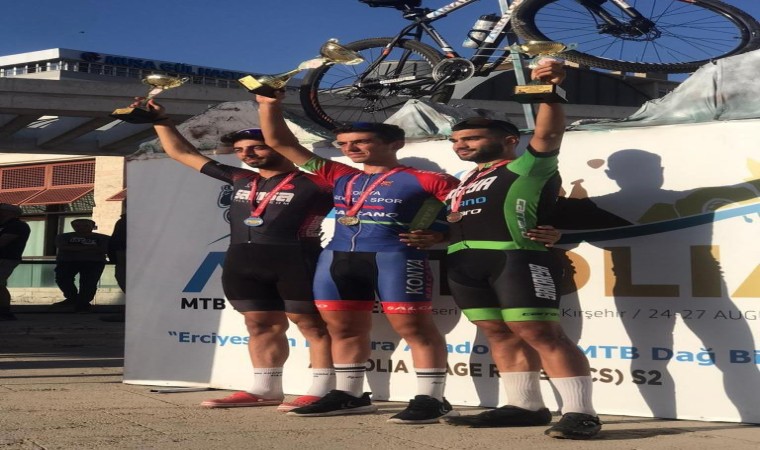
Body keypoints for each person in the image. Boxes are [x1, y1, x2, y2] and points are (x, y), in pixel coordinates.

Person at [257, 92, 461, 424]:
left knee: (415, 328)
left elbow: (469, 213)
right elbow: (280, 142)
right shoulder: (339, 174)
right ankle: (349, 395)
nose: (350, 148)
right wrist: (269, 104)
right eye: (344, 143)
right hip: (338, 259)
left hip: (395, 257)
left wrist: (442, 234)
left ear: (395, 144)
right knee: (342, 329)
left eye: (361, 142)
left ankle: (432, 399)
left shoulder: (427, 178)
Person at [439, 61, 602, 439]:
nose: (461, 145)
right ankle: (525, 406)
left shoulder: (528, 166)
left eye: (472, 139)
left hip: (515, 257)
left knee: (542, 333)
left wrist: (550, 90)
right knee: (497, 333)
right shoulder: (466, 179)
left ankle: (582, 413)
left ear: (510, 140)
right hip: (464, 263)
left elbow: (549, 133)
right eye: (456, 141)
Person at [141, 98, 335, 411]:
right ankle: (265, 389)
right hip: (243, 263)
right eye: (241, 150)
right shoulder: (241, 178)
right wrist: (161, 121)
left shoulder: (319, 183)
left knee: (312, 326)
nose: (247, 154)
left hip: (297, 261)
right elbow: (182, 153)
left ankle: (323, 390)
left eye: (256, 147)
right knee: (259, 325)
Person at [51, 219, 110, 313]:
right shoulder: (63, 236)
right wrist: (91, 248)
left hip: (93, 262)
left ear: (92, 227)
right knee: (62, 279)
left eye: (85, 225)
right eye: (78, 226)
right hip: (68, 261)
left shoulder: (104, 238)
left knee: (89, 283)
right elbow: (62, 246)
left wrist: (75, 248)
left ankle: (83, 302)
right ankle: (73, 298)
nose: (81, 228)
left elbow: (105, 249)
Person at [0, 203, 30, 321]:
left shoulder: (18, 225)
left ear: (10, 212)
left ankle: (4, 312)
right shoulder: (4, 225)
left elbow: (3, 241)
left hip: (6, 258)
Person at [101, 213, 127, 323]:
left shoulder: (125, 221)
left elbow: (116, 240)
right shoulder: (123, 221)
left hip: (125, 254)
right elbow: (115, 240)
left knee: (125, 279)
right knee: (123, 278)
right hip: (123, 254)